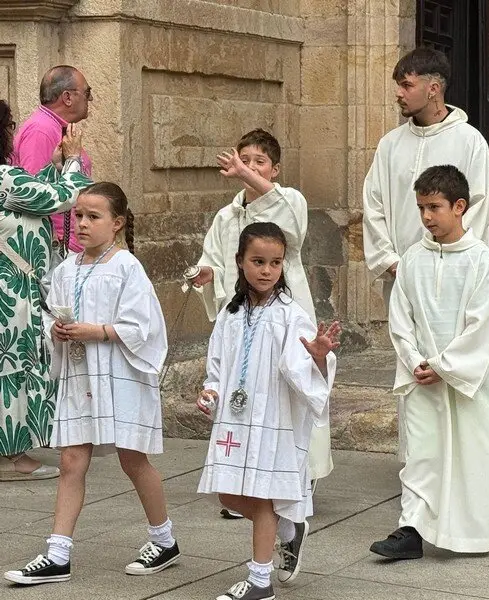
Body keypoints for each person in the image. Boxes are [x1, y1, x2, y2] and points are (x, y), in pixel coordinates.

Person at [4, 183, 179, 585]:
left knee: (132, 459)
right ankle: (58, 553)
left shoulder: (127, 267)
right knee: (70, 460)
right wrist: (57, 330)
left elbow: (143, 327)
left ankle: (164, 539)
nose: (81, 224)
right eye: (78, 215)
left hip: (122, 375)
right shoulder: (65, 269)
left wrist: (96, 331)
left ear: (116, 224)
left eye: (93, 217)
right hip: (81, 375)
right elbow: (49, 313)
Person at [370, 165, 489, 559]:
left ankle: (483, 525)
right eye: (420, 208)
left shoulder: (482, 262)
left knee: (478, 452)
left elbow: (483, 325)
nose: (426, 217)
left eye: (434, 207)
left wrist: (446, 366)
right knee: (422, 452)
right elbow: (400, 317)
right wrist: (416, 360)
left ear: (459, 206)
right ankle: (412, 530)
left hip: (471, 381)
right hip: (421, 377)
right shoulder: (413, 260)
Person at [196, 222, 340, 600]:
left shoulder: (291, 315)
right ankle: (291, 530)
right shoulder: (230, 313)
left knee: (263, 499)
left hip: (272, 418)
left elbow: (305, 371)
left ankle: (260, 581)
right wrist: (211, 391)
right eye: (258, 261)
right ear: (239, 262)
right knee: (226, 495)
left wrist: (320, 359)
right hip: (234, 418)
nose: (266, 270)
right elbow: (217, 364)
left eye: (275, 263)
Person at [362, 47, 489, 459]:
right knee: (412, 363)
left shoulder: (469, 142)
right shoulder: (389, 144)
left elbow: (478, 204)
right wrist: (391, 262)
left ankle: (462, 461)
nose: (398, 94)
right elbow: (374, 204)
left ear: (433, 88)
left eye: (407, 85)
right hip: (403, 275)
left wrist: (454, 264)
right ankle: (417, 461)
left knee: (452, 363)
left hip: (453, 279)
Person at [187, 129, 333, 497]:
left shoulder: (291, 200)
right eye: (243, 159)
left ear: (275, 170)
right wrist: (209, 274)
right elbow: (217, 259)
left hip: (285, 312)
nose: (248, 167)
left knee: (292, 386)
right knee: (246, 388)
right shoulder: (226, 215)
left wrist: (242, 172)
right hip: (243, 316)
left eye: (258, 162)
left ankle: (302, 472)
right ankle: (242, 476)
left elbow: (293, 231)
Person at [0, 103, 90, 481]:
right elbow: (64, 197)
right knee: (12, 369)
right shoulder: (3, 178)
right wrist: (71, 162)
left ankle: (13, 451)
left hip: (13, 285)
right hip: (10, 293)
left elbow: (34, 194)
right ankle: (8, 457)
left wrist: (53, 166)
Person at [13, 65, 93, 253]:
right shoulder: (41, 131)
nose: (90, 98)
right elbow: (35, 194)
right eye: (87, 92)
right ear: (67, 98)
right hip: (58, 248)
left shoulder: (52, 127)